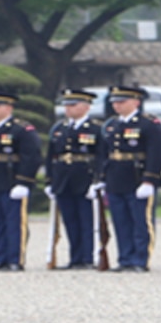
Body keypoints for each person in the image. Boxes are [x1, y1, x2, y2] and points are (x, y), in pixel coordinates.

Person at [97, 85, 161, 272]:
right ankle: (125, 258)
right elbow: (105, 154)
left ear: (136, 102)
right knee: (121, 222)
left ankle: (140, 259)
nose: (117, 105)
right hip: (116, 178)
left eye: (122, 101)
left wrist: (150, 179)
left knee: (141, 221)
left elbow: (157, 153)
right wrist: (102, 178)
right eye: (115, 102)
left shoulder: (148, 124)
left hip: (137, 177)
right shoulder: (111, 125)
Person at [0, 92, 42, 271]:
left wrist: (24, 182)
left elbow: (31, 156)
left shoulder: (21, 129)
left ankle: (15, 259)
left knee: (14, 223)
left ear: (8, 107)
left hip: (10, 181)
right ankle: (0, 257)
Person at [46, 89, 101, 270]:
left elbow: (101, 156)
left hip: (84, 177)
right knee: (70, 221)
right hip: (63, 179)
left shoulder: (95, 129)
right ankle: (75, 257)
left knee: (86, 221)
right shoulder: (60, 128)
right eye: (66, 105)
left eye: (73, 105)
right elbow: (51, 156)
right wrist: (49, 180)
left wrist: (98, 180)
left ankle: (87, 257)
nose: (68, 109)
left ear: (86, 107)